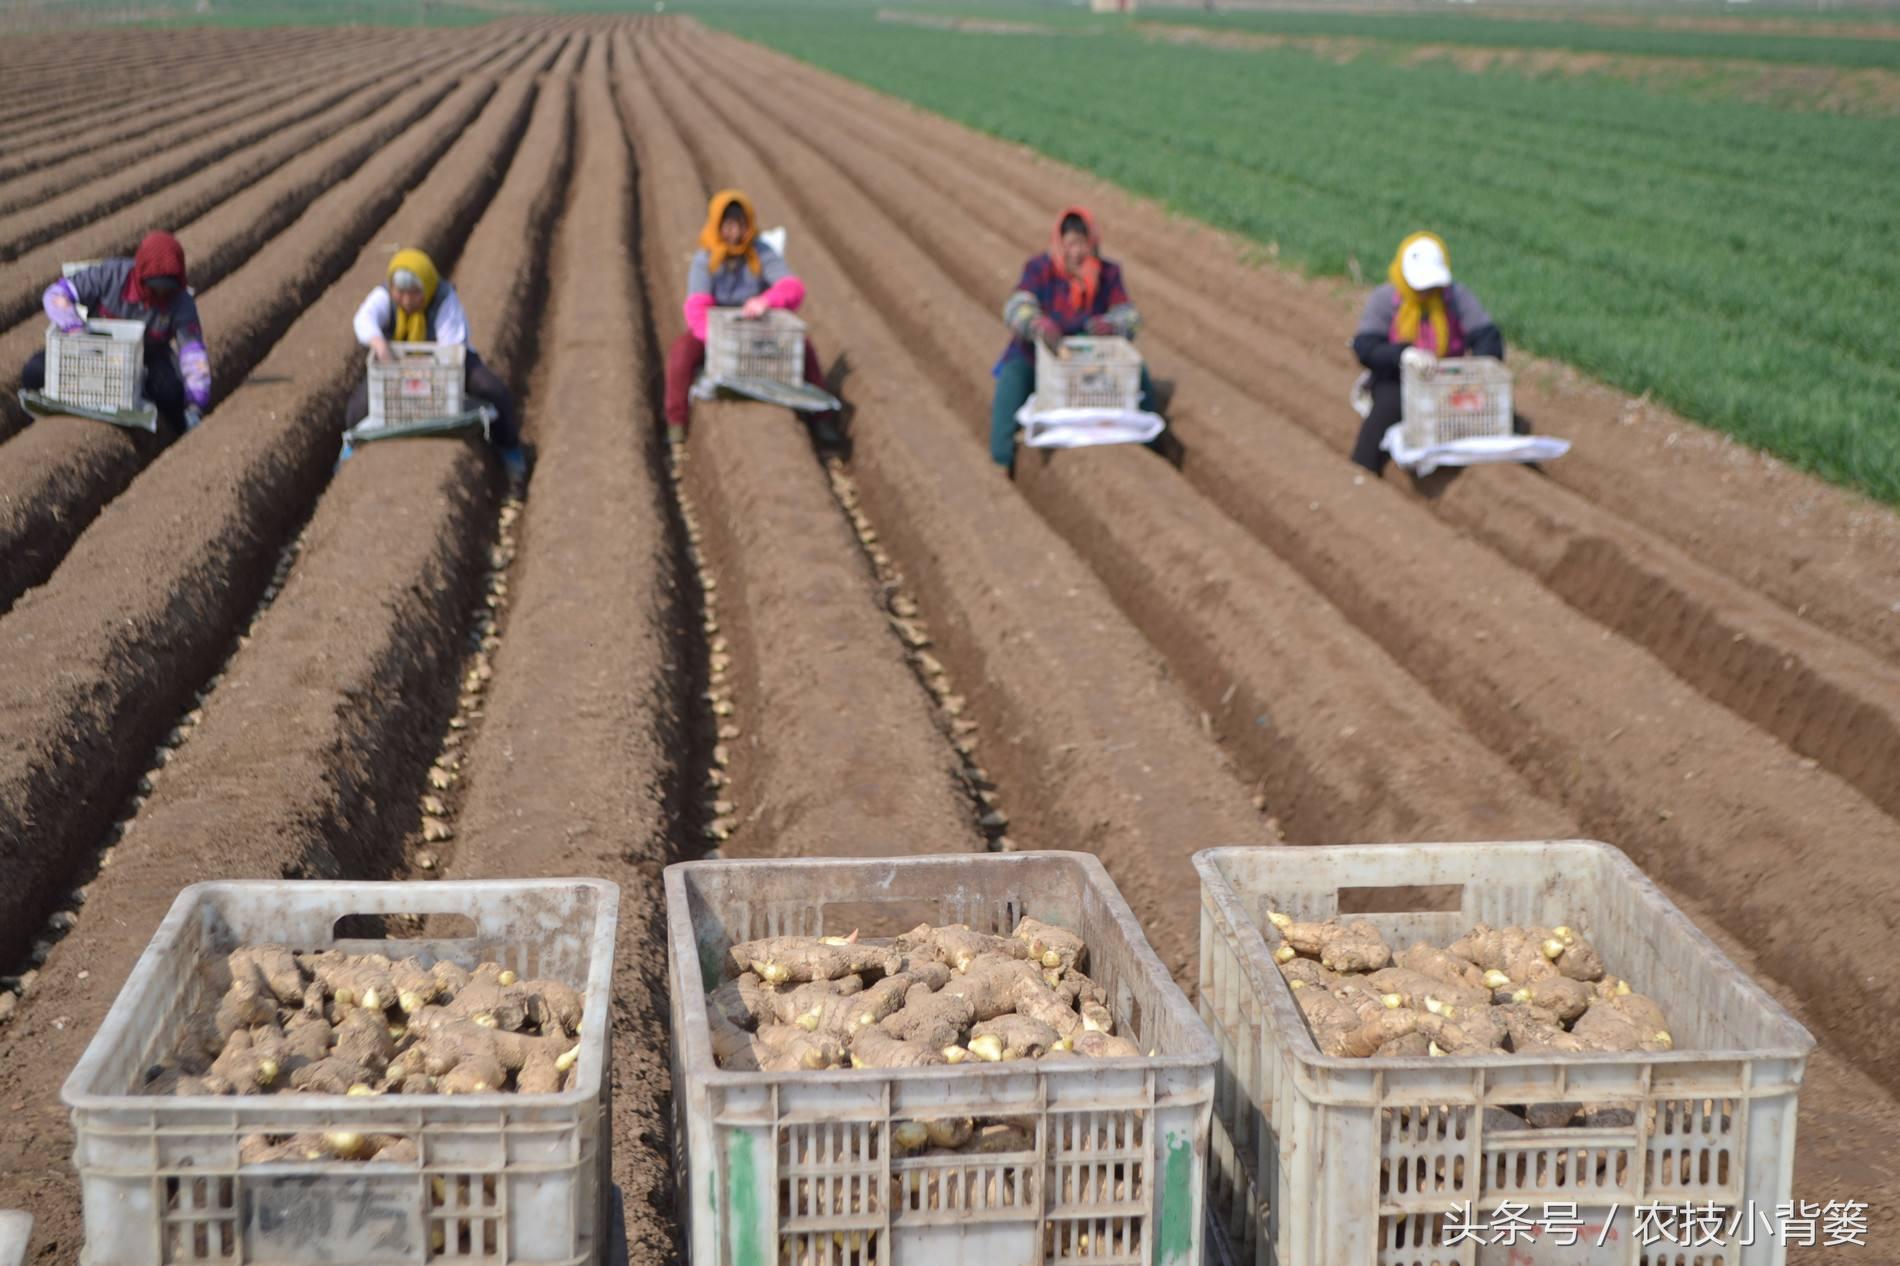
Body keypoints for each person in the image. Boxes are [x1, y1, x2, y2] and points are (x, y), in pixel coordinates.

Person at [664, 189, 842, 448]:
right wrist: (716, 338)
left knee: (804, 349)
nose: (734, 233)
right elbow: (696, 307)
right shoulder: (705, 260)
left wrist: (765, 301)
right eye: (728, 226)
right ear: (717, 226)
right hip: (717, 328)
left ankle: (822, 419)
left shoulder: (762, 253)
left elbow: (792, 287)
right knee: (680, 355)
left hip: (757, 326)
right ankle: (676, 422)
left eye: (740, 226)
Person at [990, 206, 1153, 470]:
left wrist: (1111, 324)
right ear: (1058, 243)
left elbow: (1130, 316)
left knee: (1140, 376)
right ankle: (1001, 462)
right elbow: (1016, 305)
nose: (1076, 253)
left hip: (1089, 362)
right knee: (1010, 383)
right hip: (1040, 357)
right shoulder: (1039, 269)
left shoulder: (1108, 274)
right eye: (1069, 245)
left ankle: (1151, 447)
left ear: (1093, 244)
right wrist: (1037, 324)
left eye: (1082, 245)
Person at [346, 248, 526, 480]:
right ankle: (349, 451)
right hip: (398, 362)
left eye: (414, 294)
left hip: (448, 364)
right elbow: (364, 319)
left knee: (493, 390)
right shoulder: (384, 296)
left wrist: (424, 368)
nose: (406, 300)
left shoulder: (444, 298)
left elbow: (452, 346)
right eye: (400, 293)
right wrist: (380, 345)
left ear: (426, 289)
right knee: (356, 410)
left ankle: (511, 451)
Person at [22, 229, 210, 434]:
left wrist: (195, 403)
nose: (161, 294)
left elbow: (193, 353)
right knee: (34, 371)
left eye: (167, 289)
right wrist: (75, 328)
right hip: (96, 349)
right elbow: (56, 294)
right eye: (155, 288)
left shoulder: (181, 302)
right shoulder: (110, 276)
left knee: (171, 394)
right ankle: (36, 424)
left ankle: (171, 434)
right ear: (141, 276)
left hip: (148, 355)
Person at [1349, 231, 1507, 475]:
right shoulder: (1385, 299)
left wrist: (1478, 369)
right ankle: (1362, 469)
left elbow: (1487, 335)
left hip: (1449, 379)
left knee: (1497, 415)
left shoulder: (1456, 297)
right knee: (1384, 413)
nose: (1427, 291)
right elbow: (1366, 347)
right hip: (1398, 379)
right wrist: (1402, 355)